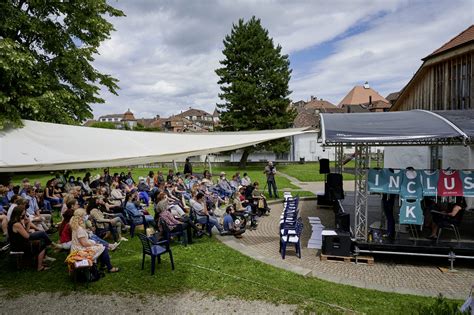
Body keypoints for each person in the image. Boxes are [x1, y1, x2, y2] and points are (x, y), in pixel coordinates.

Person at [70, 208, 119, 273]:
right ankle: (109, 268)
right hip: (80, 251)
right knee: (103, 247)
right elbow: (84, 243)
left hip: (79, 248)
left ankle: (104, 265)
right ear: (81, 217)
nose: (86, 217)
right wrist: (93, 243)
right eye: (84, 215)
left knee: (101, 246)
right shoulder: (79, 229)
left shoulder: (76, 226)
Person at [8, 206, 54, 271]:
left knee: (41, 238)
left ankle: (41, 259)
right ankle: (39, 267)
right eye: (23, 214)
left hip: (20, 242)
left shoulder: (13, 221)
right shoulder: (16, 224)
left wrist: (28, 223)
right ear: (18, 214)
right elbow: (27, 236)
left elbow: (25, 233)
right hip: (19, 246)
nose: (24, 216)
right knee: (42, 243)